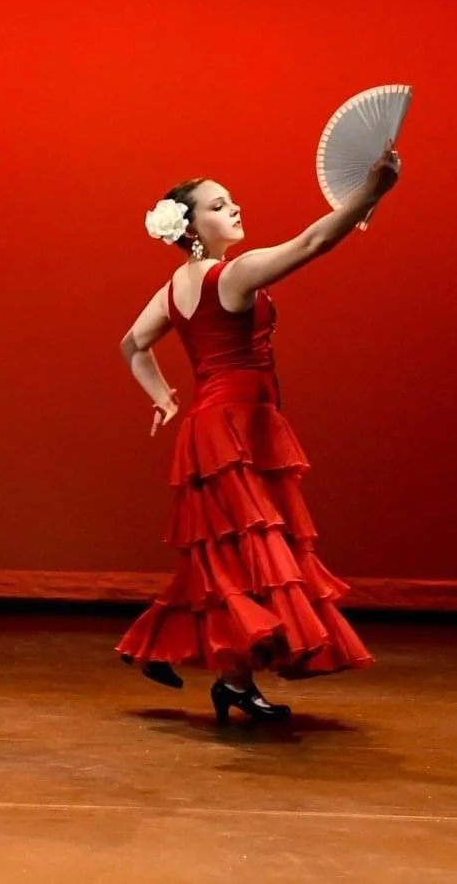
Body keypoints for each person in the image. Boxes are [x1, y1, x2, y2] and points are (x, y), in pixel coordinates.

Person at [117, 150, 400, 723]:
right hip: (236, 427)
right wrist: (370, 191)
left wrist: (164, 396)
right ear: (191, 229)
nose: (234, 207)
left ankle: (205, 667)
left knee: (227, 556)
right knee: (249, 555)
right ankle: (228, 677)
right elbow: (312, 244)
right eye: (219, 205)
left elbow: (132, 344)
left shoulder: (175, 286)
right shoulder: (233, 273)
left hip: (212, 426)